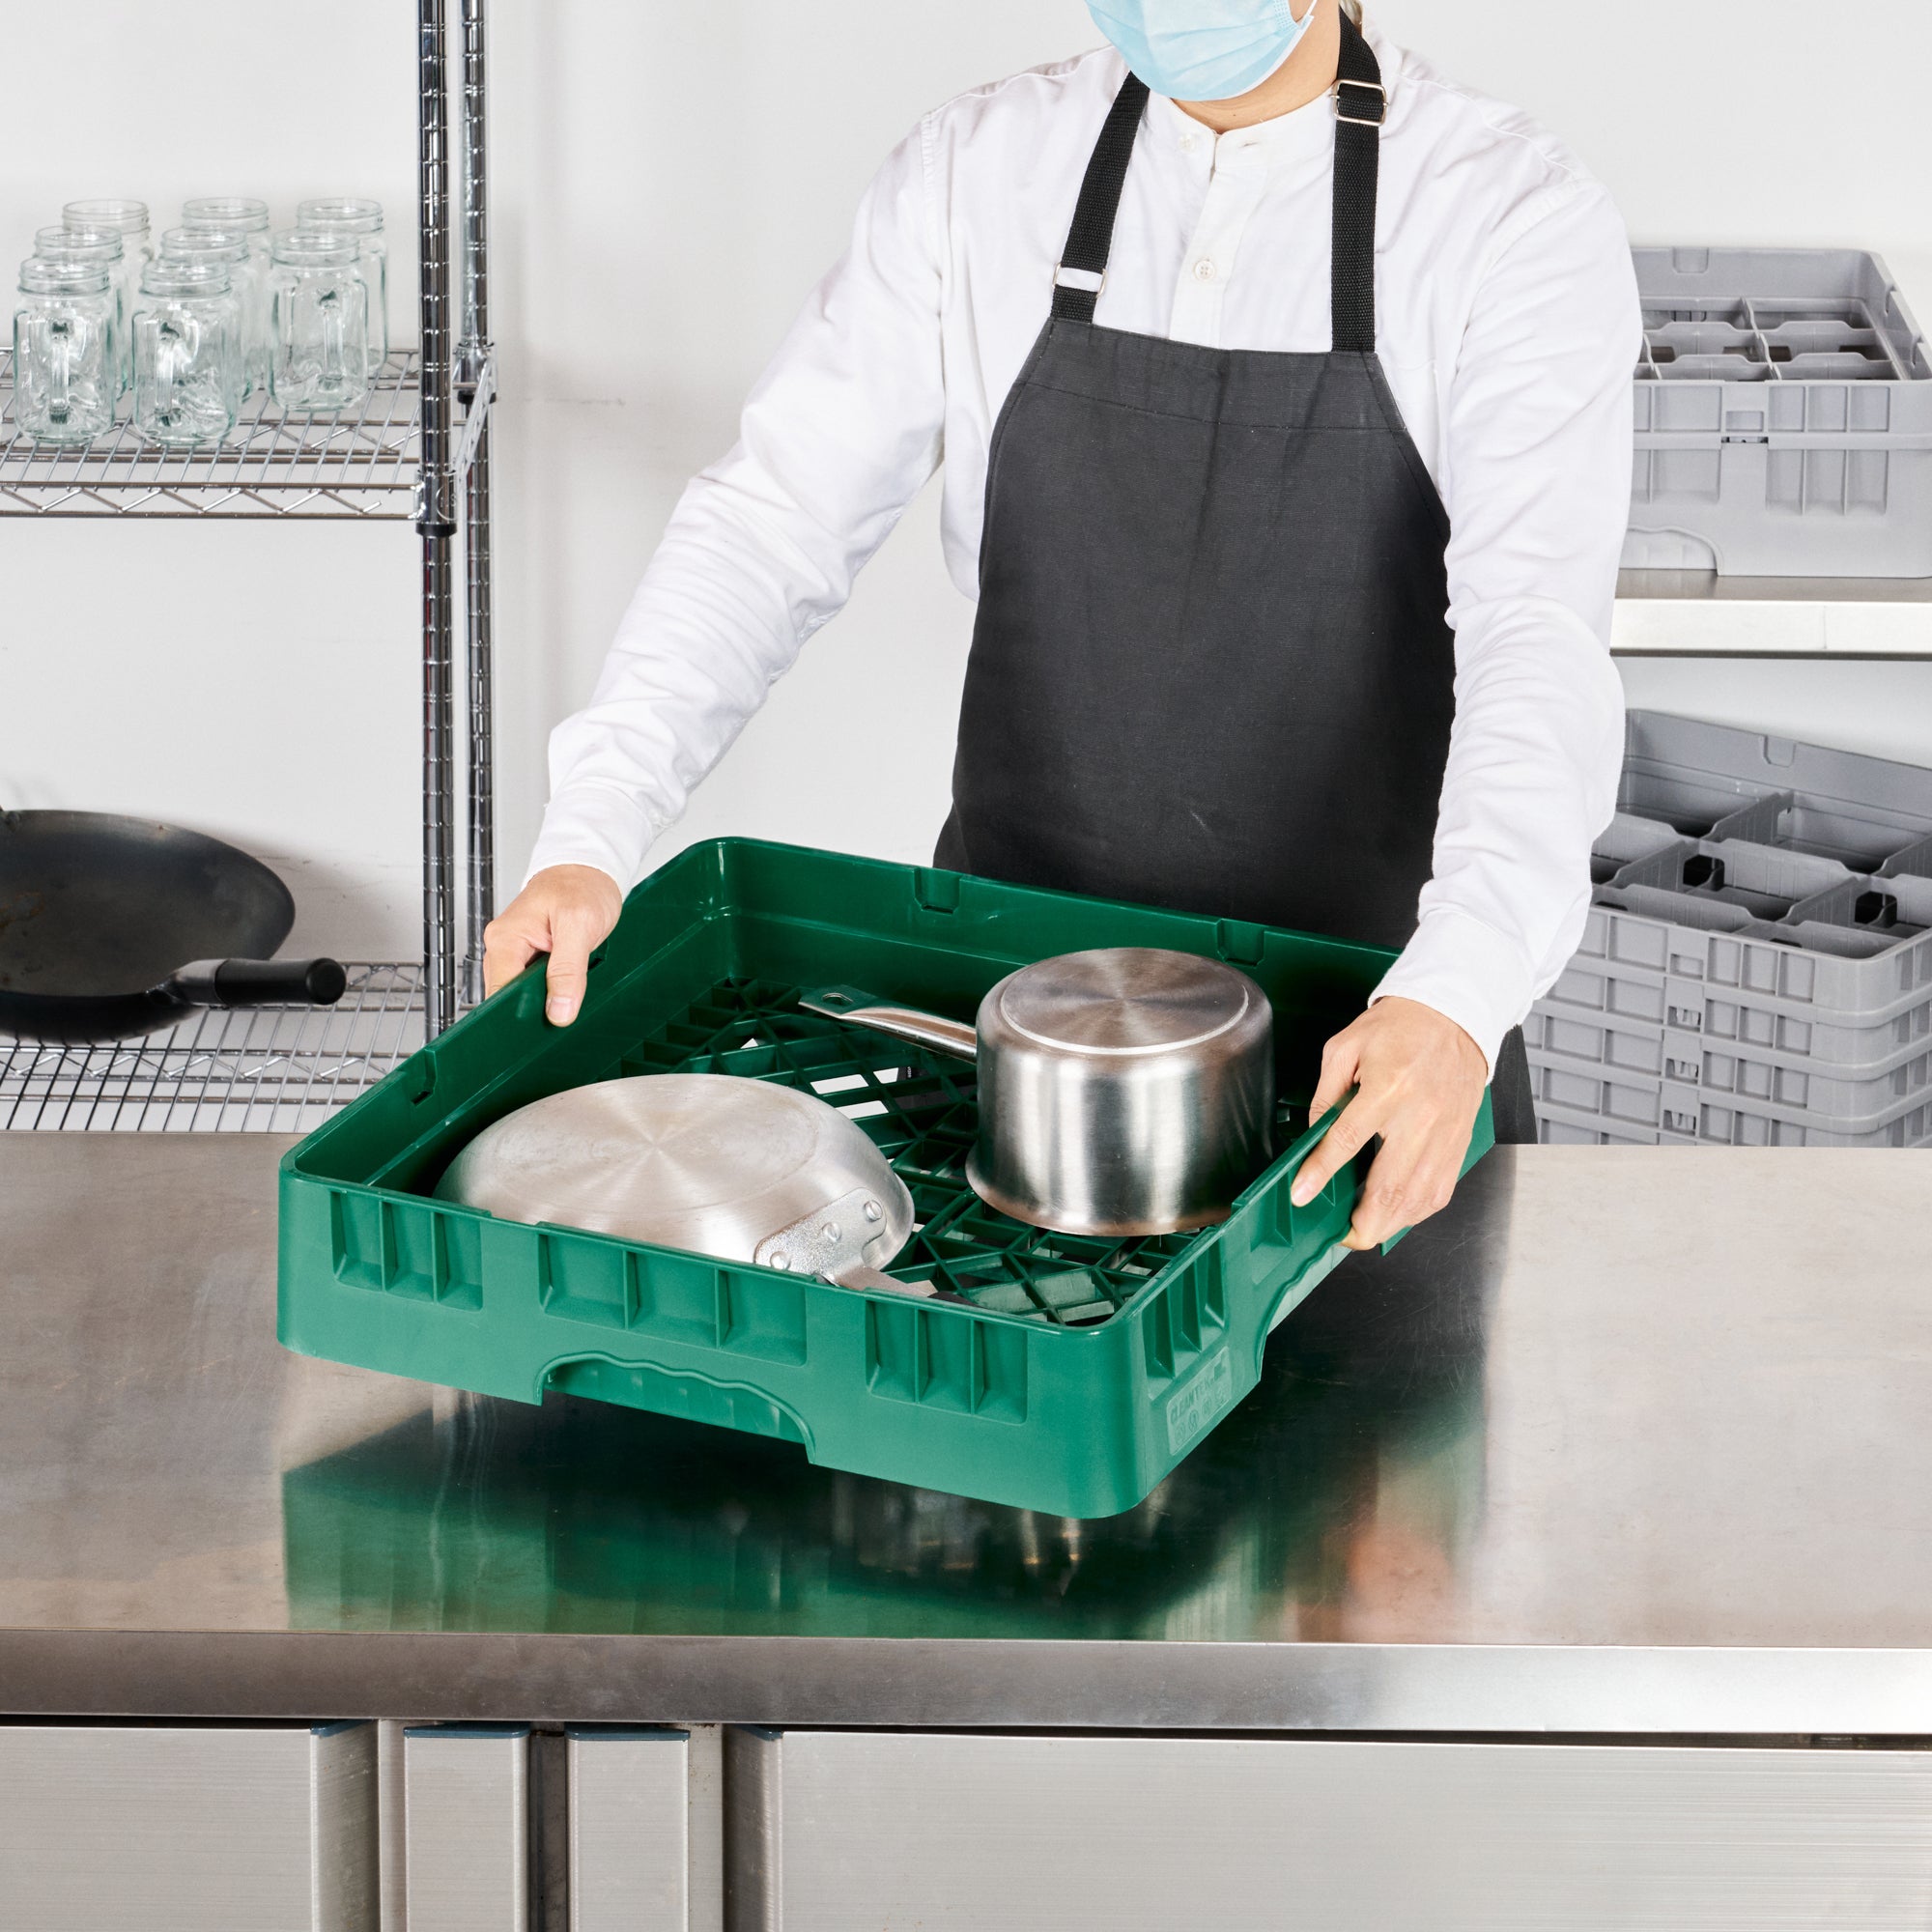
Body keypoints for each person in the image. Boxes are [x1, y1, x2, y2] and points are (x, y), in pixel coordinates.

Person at [483, 0, 1639, 1249]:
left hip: (1365, 1059)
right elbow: (770, 524)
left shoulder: (1507, 214)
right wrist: (592, 829)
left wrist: (1458, 994)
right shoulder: (978, 169)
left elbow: (1535, 639)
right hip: (1001, 1049)